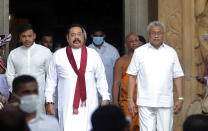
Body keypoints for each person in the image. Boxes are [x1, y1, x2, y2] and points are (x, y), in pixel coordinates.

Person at [45, 24, 110, 131]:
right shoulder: (58, 55)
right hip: (66, 104)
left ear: (84, 37)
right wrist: (49, 101)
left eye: (79, 34)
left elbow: (101, 77)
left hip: (89, 104)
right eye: (73, 35)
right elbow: (51, 80)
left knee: (89, 127)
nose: (76, 38)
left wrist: (105, 97)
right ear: (67, 38)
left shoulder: (93, 54)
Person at [127, 21, 184, 131]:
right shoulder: (139, 52)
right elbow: (132, 76)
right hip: (145, 102)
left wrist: (180, 98)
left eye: (159, 33)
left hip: (165, 102)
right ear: (148, 35)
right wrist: (130, 99)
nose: (156, 36)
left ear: (163, 34)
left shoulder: (171, 52)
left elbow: (177, 76)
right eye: (153, 33)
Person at [6, 24, 52, 113]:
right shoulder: (14, 53)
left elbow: (50, 76)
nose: (27, 39)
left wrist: (49, 99)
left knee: (39, 123)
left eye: (29, 36)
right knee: (21, 123)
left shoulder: (45, 52)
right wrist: (16, 92)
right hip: (20, 97)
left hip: (39, 97)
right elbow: (9, 75)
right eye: (24, 36)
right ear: (20, 37)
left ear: (34, 36)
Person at [112, 33, 145, 131]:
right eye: (131, 41)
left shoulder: (146, 59)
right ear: (126, 45)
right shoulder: (121, 61)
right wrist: (115, 102)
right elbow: (116, 83)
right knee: (128, 127)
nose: (134, 43)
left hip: (144, 101)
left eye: (136, 41)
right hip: (127, 102)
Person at [88, 28, 120, 103]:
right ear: (92, 36)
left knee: (109, 114)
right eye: (96, 36)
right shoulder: (87, 50)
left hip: (109, 91)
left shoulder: (112, 50)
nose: (98, 38)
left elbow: (118, 71)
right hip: (92, 92)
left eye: (100, 36)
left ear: (104, 36)